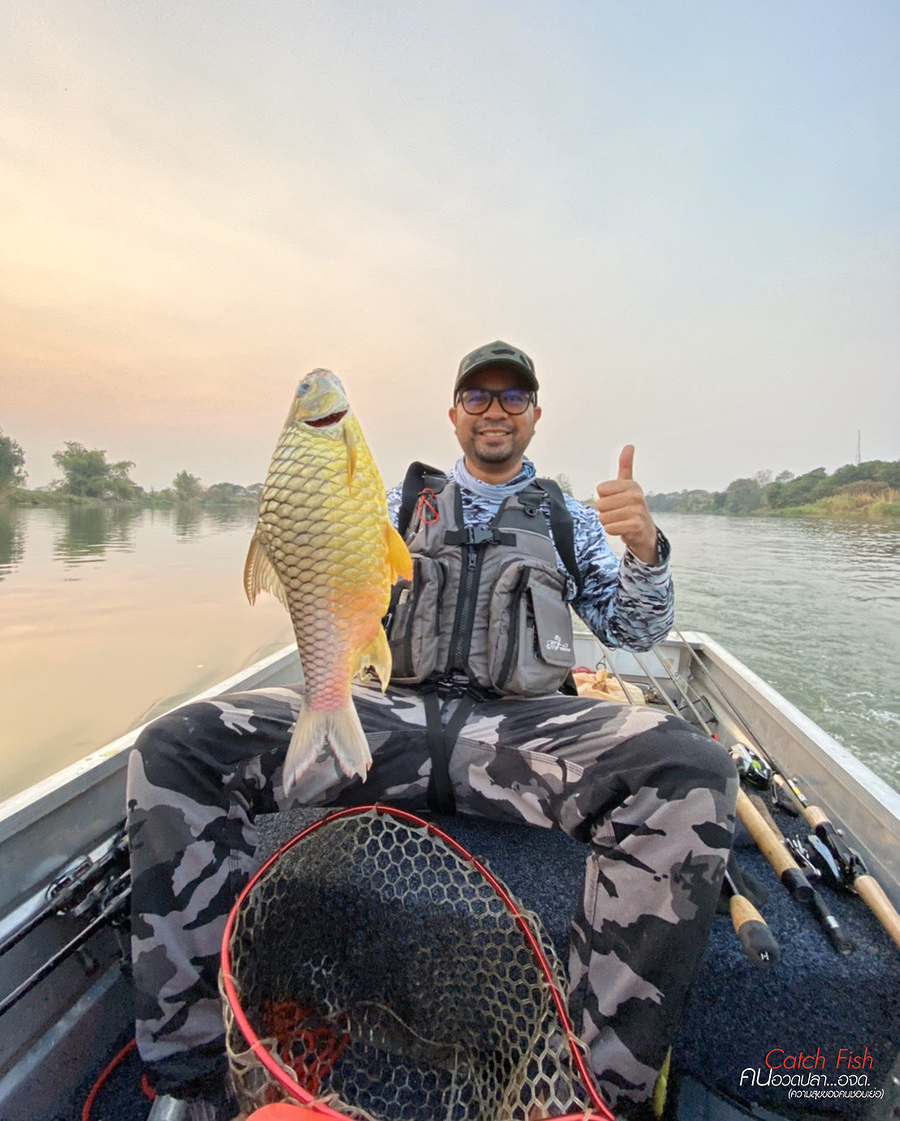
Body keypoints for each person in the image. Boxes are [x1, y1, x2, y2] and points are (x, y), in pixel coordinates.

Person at [129, 340, 737, 1121]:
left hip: (520, 736)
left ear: (535, 416)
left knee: (692, 769)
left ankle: (587, 1096)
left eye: (513, 397)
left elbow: (636, 629)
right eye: (477, 396)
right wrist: (297, 509)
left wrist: (648, 553)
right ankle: (194, 1077)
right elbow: (321, 579)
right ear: (453, 414)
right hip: (385, 719)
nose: (494, 410)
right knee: (178, 747)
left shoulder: (566, 519)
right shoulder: (385, 503)